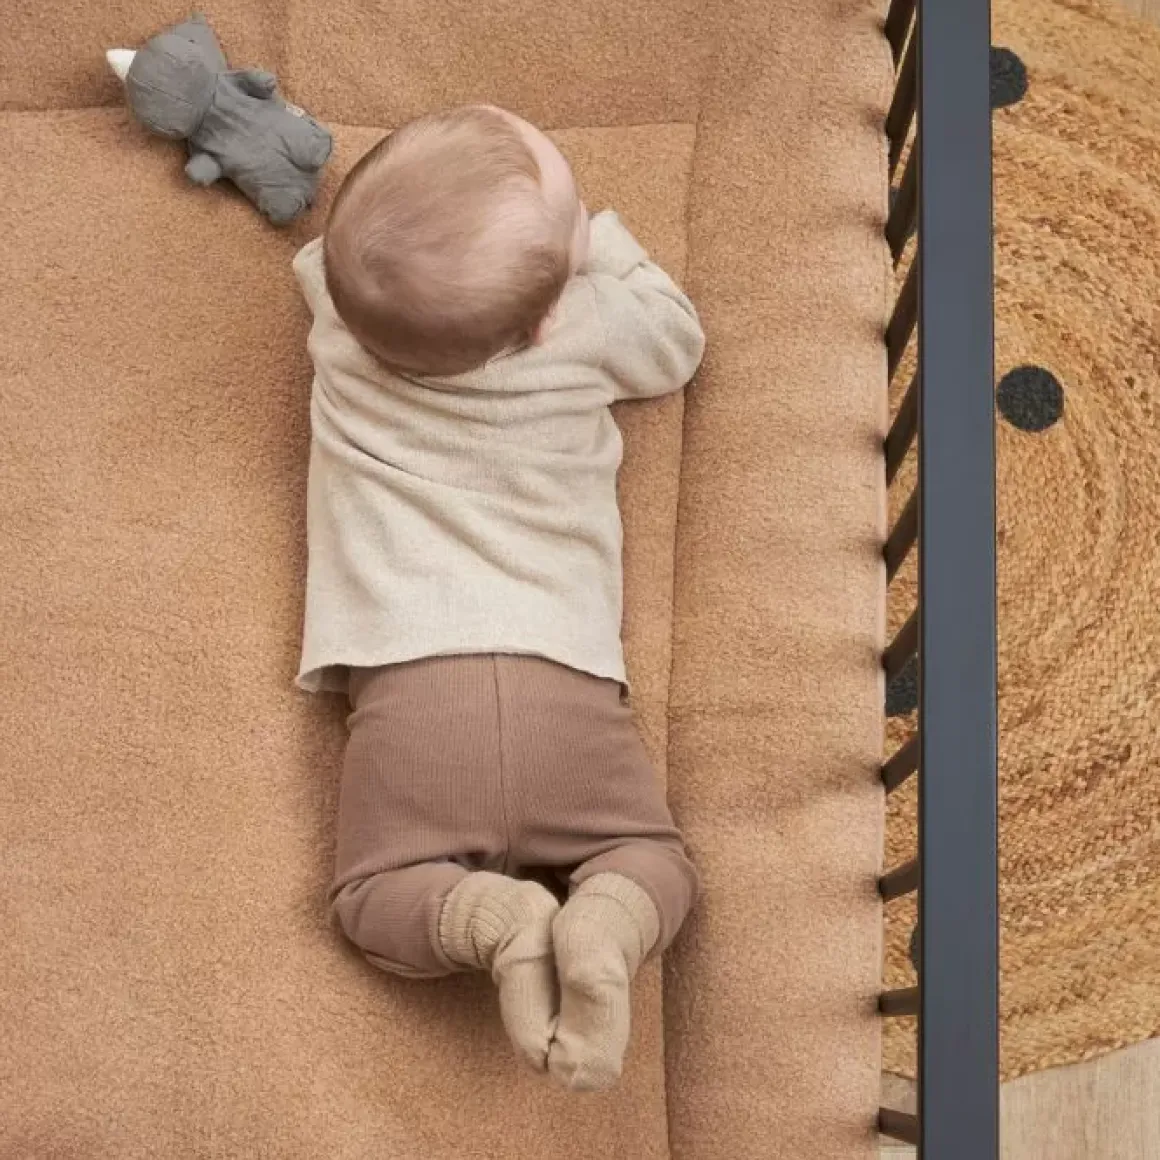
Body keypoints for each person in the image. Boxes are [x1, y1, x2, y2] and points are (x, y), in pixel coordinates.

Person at [293, 104, 705, 1092]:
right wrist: (600, 248)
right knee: (653, 859)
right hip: (565, 685)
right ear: (545, 315)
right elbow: (678, 338)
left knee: (372, 896)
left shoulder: (341, 318)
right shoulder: (587, 323)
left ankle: (498, 923)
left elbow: (336, 254)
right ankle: (605, 917)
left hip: (409, 697)